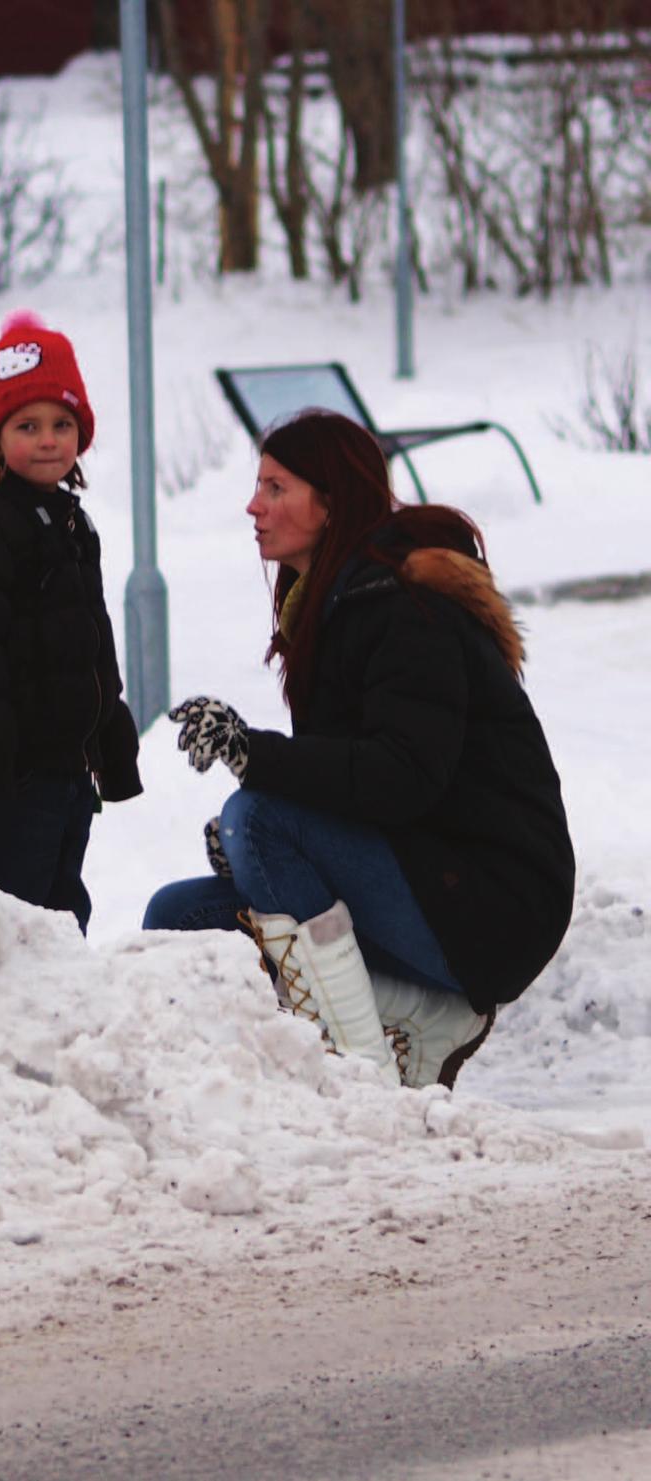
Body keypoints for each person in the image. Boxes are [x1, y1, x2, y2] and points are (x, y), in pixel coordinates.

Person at [143, 409, 574, 1091]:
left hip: (492, 904)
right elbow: (352, 788)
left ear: (332, 501)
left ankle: (359, 1079)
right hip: (428, 880)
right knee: (177, 917)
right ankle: (418, 1020)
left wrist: (257, 762)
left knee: (255, 815)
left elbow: (402, 778)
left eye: (276, 487)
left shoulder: (405, 609)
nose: (253, 505)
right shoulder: (335, 607)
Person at [0, 311, 142, 935]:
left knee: (62, 907)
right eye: (27, 426)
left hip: (69, 766)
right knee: (7, 913)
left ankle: (58, 1020)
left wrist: (111, 737)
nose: (48, 439)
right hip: (15, 771)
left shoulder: (73, 521)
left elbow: (93, 642)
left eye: (62, 424)